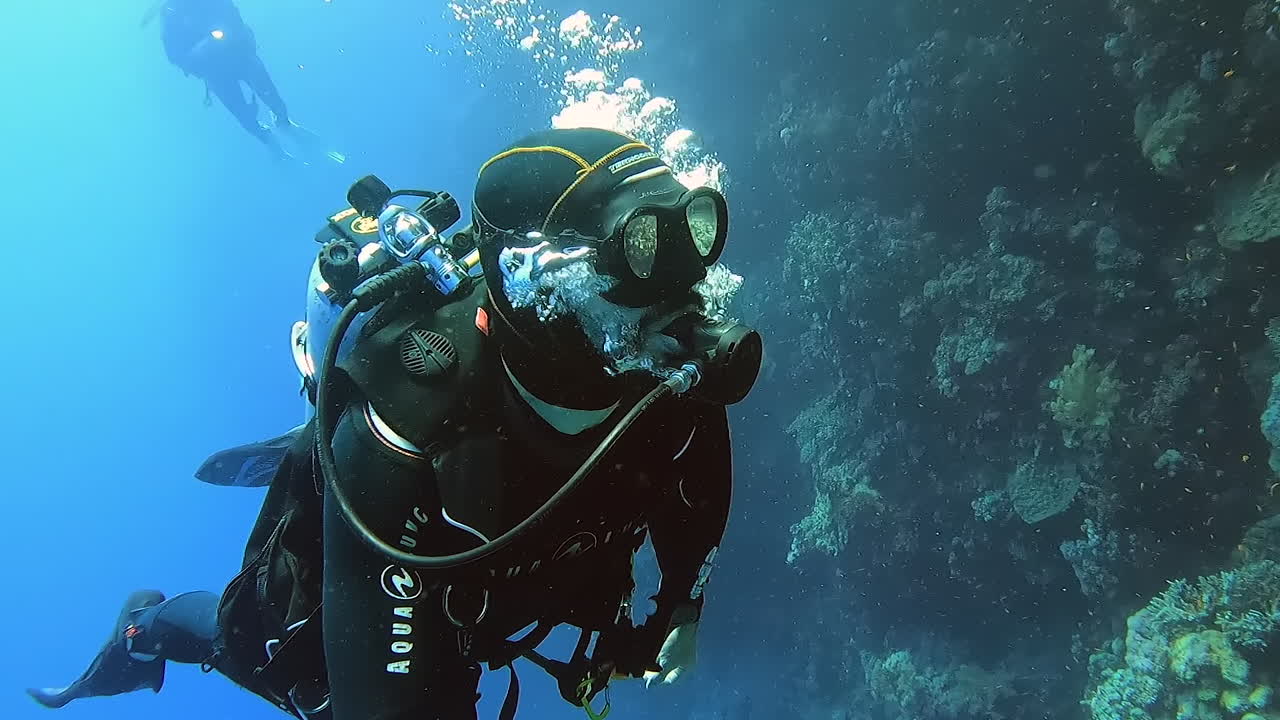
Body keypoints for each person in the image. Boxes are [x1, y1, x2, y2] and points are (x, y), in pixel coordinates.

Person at [26, 127, 761, 720]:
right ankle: (143, 629)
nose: (686, 289)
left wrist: (680, 605)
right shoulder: (409, 433)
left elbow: (699, 488)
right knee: (252, 645)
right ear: (542, 288)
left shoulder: (662, 372)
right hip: (386, 593)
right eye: (638, 251)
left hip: (505, 582)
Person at [143, 0, 296, 157]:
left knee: (269, 93)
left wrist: (227, 34)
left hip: (239, 54)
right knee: (244, 116)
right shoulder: (171, 12)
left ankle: (284, 122)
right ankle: (270, 142)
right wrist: (196, 56)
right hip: (215, 72)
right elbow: (174, 53)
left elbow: (233, 15)